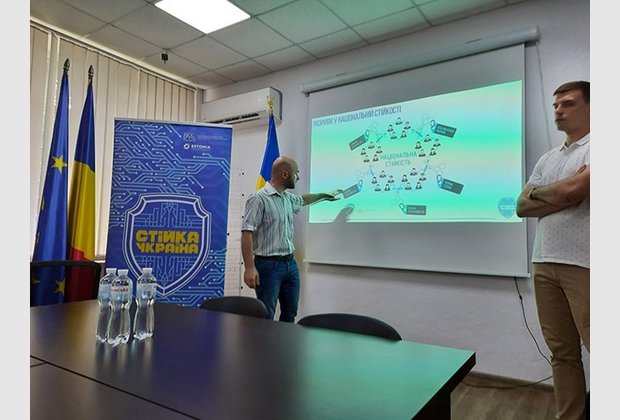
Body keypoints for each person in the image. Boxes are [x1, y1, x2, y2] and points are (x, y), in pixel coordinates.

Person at [516, 81, 590, 420]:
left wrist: (545, 194)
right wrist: (561, 193)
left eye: (568, 103)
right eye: (556, 105)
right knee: (562, 353)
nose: (559, 110)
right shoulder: (548, 158)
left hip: (585, 263)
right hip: (544, 262)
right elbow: (521, 206)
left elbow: (575, 190)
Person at [241, 156, 341, 322]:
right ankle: (262, 340)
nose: (298, 177)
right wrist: (249, 268)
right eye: (296, 173)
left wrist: (323, 195)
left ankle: (283, 340)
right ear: (285, 174)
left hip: (290, 264)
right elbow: (246, 233)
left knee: (290, 313)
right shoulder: (258, 198)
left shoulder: (286, 198)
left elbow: (303, 200)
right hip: (268, 266)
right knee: (266, 315)